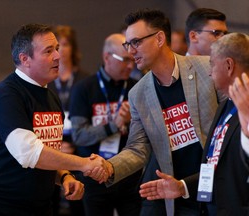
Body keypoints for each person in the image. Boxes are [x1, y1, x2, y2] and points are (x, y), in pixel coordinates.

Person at [87, 9, 226, 216]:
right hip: (175, 194)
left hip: (217, 185)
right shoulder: (138, 94)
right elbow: (137, 148)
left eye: (136, 42)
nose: (130, 51)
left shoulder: (206, 68)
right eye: (127, 45)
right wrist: (109, 167)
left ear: (160, 38)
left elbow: (233, 122)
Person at [0, 23, 109, 216]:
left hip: (35, 206)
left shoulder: (51, 97)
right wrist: (84, 164)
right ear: (25, 59)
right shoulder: (6, 95)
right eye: (49, 51)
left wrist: (65, 176)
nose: (58, 55)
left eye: (57, 48)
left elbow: (49, 153)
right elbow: (29, 153)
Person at [139, 32, 249, 215]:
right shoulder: (226, 105)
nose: (209, 71)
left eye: (213, 64)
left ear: (229, 66)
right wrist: (182, 187)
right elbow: (217, 168)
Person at [69, 33, 142, 216]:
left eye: (132, 59)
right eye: (124, 60)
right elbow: (79, 135)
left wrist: (132, 119)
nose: (130, 65)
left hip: (129, 177)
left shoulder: (137, 88)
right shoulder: (84, 88)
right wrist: (113, 125)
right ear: (107, 57)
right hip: (94, 177)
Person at [48, 25, 87, 216]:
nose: (60, 50)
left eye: (64, 44)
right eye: (56, 46)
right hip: (52, 144)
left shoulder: (85, 79)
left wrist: (71, 144)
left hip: (78, 145)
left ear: (73, 47)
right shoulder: (45, 81)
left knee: (78, 202)